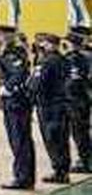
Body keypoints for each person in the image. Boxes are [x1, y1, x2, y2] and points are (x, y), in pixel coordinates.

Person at [0, 26, 36, 190]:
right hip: (10, 102)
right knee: (17, 139)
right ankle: (23, 175)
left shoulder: (14, 52)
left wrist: (7, 87)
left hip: (17, 101)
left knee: (20, 140)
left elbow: (19, 73)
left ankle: (23, 177)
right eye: (0, 35)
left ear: (10, 35)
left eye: (3, 34)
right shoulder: (5, 52)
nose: (0, 37)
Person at [32, 33, 71, 184]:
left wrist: (31, 94)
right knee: (62, 138)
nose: (43, 46)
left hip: (49, 105)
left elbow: (38, 82)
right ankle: (63, 170)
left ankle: (59, 171)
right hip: (61, 104)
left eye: (45, 43)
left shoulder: (47, 61)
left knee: (52, 138)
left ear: (51, 45)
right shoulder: (63, 60)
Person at [66, 27, 91, 173]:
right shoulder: (75, 56)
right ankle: (85, 158)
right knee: (80, 131)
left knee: (80, 131)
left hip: (79, 99)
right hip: (76, 98)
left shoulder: (83, 57)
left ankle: (86, 160)